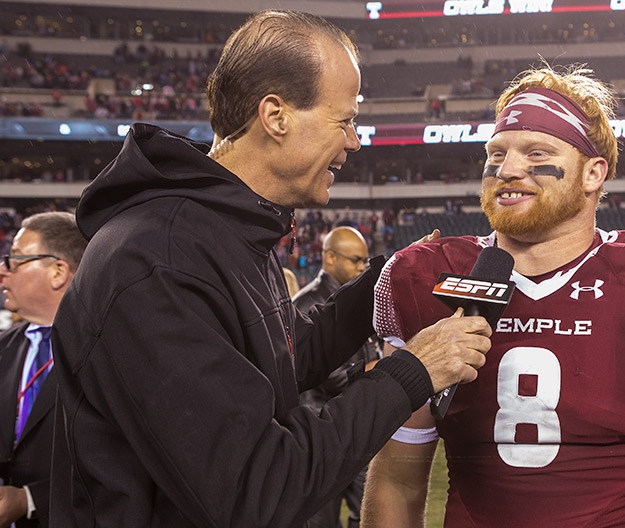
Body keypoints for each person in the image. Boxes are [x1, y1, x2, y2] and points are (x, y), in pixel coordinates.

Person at [48, 10, 491, 527]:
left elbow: (281, 358)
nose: (355, 141)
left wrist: (393, 277)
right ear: (276, 116)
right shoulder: (157, 259)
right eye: (344, 120)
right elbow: (257, 489)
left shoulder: (222, 231)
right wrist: (414, 370)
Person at [361, 64, 625, 527]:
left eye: (535, 151)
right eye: (496, 154)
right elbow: (396, 483)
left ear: (592, 174)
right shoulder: (425, 278)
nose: (508, 169)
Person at [0, 212, 87, 527]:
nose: (2, 272)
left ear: (57, 272)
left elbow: (127, 462)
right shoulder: (4, 347)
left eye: (15, 261)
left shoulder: (110, 349)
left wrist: (29, 499)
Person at [293, 226, 381, 528]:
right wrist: (387, 371)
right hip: (321, 441)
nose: (361, 268)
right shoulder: (308, 304)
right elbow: (334, 378)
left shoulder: (347, 301)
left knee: (370, 516)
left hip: (348, 432)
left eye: (365, 261)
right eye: (356, 260)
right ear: (329, 257)